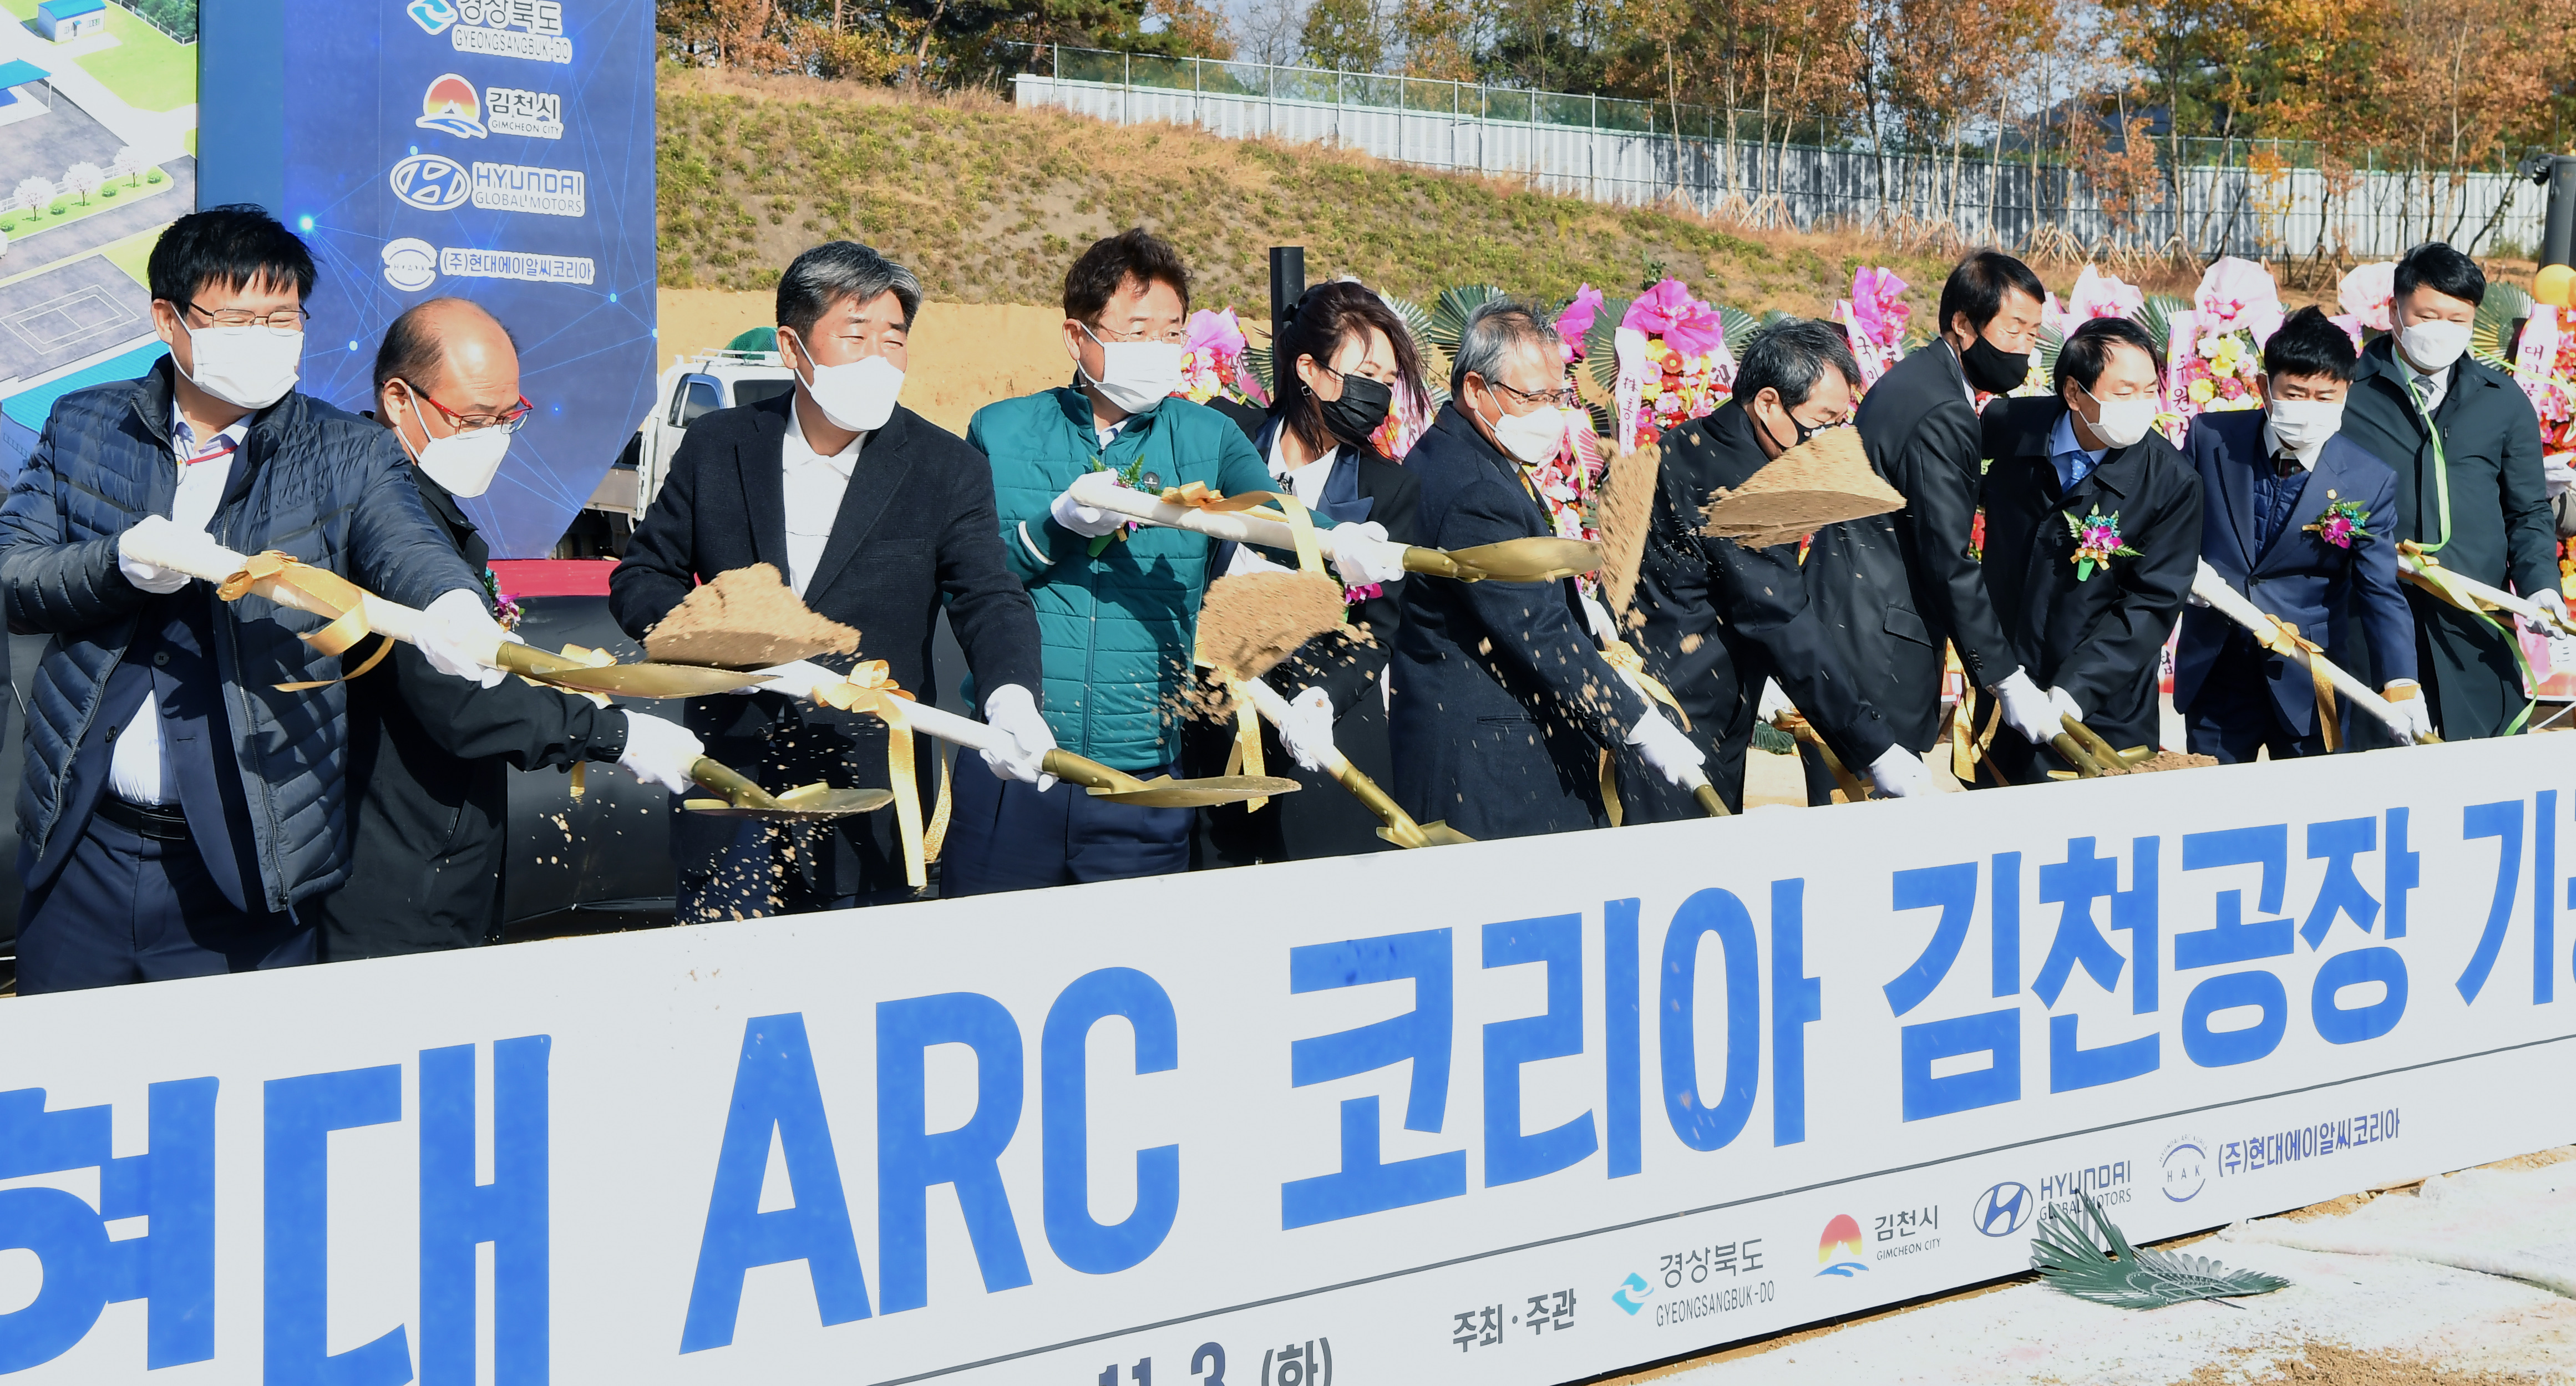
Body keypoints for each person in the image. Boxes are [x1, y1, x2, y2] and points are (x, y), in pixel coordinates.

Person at [0, 205, 511, 992]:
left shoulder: (347, 452)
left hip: (250, 865)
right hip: (83, 849)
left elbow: (409, 547)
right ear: (168, 320)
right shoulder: (85, 425)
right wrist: (117, 563)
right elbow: (15, 574)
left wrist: (451, 606)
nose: (267, 337)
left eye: (283, 318)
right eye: (239, 319)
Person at [944, 229, 1399, 892]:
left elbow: (1267, 512)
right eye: (1136, 333)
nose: (1158, 350)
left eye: (1172, 333)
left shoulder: (1207, 436)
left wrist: (1335, 542)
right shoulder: (1001, 430)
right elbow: (976, 580)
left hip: (1141, 780)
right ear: (1077, 337)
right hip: (1013, 767)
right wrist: (1055, 526)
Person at [612, 241, 1052, 918]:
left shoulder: (946, 468)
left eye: (894, 339)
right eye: (855, 336)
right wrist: (713, 643)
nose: (879, 359)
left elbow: (989, 597)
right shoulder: (718, 446)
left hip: (869, 803)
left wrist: (1012, 697)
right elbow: (644, 575)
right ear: (793, 348)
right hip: (733, 788)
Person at [311, 298, 708, 958]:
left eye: (508, 417)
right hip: (388, 875)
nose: (494, 436)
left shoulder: (427, 503)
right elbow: (459, 701)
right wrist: (615, 734)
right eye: (474, 420)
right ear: (399, 400)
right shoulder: (377, 523)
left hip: (436, 853)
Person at [1390, 297, 1703, 839]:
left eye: (1556, 396)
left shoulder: (1463, 451)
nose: (1549, 413)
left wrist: (1574, 600)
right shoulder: (1474, 490)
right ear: (1475, 389)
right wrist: (1637, 723)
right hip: (1491, 767)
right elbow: (1539, 632)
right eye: (1533, 397)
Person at [1620, 319, 1932, 816]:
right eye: (1822, 421)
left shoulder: (1698, 440)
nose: (1827, 440)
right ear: (1768, 402)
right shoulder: (1742, 488)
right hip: (1686, 713)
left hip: (1677, 690)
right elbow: (1780, 617)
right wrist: (1875, 747)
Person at [1193, 280, 1426, 863]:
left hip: (1320, 744)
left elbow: (1377, 630)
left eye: (1388, 382)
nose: (1378, 394)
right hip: (1207, 734)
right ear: (1309, 370)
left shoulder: (1388, 489)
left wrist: (1323, 700)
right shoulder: (1222, 434)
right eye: (1366, 374)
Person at [1804, 250, 2055, 775]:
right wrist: (2006, 678)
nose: (2024, 348)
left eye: (2034, 335)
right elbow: (1947, 560)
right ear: (1963, 323)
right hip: (1876, 649)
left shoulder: (1918, 378)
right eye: (2013, 330)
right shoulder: (1943, 411)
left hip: (1845, 620)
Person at [2176, 306, 2426, 762]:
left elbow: (2380, 590)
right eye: (2295, 394)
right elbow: (2171, 522)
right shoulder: (2211, 438)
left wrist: (2402, 683)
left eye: (2325, 397)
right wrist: (2181, 570)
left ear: (2346, 393)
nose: (2310, 409)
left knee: (2312, 796)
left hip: (2308, 676)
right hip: (2218, 666)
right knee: (2212, 794)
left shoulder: (2368, 480)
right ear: (2265, 388)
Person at [2336, 241, 2561, 740]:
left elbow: (2527, 511)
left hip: (2473, 624)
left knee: (2484, 763)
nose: (2441, 330)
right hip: (2370, 623)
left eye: (2458, 319)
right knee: (2372, 762)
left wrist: (2541, 584)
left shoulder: (2502, 402)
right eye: (2427, 315)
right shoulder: (2347, 394)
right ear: (2394, 311)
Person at [1971, 317, 2202, 783]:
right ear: (2075, 393)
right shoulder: (2007, 427)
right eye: (2124, 392)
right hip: (2005, 688)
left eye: (2149, 391)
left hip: (2099, 710)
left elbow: (2150, 603)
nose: (2140, 405)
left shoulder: (2171, 483)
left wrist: (2074, 690)